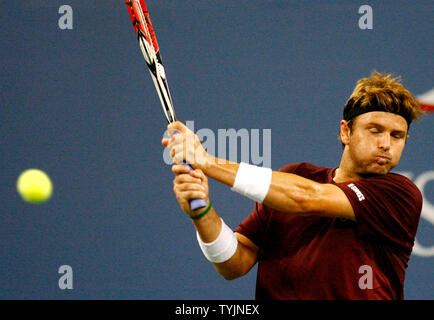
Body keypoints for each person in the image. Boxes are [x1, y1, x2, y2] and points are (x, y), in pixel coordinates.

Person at [161, 71, 424, 300]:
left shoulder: (400, 195)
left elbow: (306, 198)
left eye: (396, 135)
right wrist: (202, 213)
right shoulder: (295, 176)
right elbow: (234, 264)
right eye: (375, 130)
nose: (386, 144)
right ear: (346, 132)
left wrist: (207, 162)